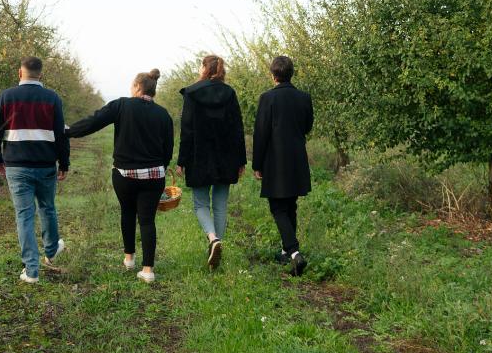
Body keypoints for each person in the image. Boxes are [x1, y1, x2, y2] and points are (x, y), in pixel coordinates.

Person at [66, 69, 174, 283]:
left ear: (136, 87)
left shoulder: (121, 105)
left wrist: (68, 131)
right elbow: (168, 150)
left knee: (127, 212)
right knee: (147, 220)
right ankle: (148, 270)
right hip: (154, 175)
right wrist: (158, 168)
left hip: (125, 175)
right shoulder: (163, 114)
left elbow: (93, 122)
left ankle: (129, 259)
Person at [0, 56, 69, 284]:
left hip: (16, 165)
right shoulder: (52, 98)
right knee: (47, 208)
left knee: (24, 215)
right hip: (45, 165)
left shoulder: (6, 97)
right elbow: (61, 135)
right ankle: (51, 250)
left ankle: (31, 270)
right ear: (40, 74)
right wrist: (64, 163)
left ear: (19, 72)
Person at [175, 54, 246, 270]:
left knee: (200, 203)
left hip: (199, 156)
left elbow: (187, 130)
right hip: (226, 157)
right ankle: (216, 247)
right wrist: (241, 159)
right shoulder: (229, 93)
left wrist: (181, 160)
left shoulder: (192, 93)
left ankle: (213, 239)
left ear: (204, 68)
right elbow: (237, 128)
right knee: (221, 204)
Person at [252, 55, 313, 276]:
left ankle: (295, 253)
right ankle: (286, 252)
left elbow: (261, 133)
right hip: (296, 157)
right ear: (291, 73)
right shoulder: (304, 98)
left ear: (273, 75)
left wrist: (257, 163)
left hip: (275, 159)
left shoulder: (267, 98)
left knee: (278, 207)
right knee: (290, 205)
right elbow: (307, 126)